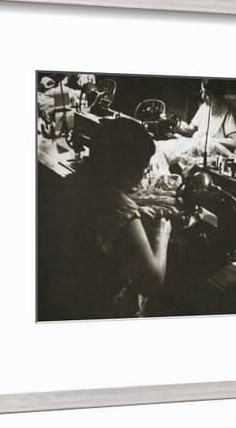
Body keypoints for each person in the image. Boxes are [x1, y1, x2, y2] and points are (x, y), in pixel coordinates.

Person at [41, 118, 172, 320]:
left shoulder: (74, 181)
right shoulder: (118, 206)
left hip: (61, 298)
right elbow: (151, 281)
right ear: (127, 169)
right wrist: (161, 235)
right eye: (142, 169)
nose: (142, 175)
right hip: (100, 310)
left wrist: (132, 215)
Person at [151, 79, 236, 173]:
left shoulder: (228, 111)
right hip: (195, 143)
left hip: (211, 151)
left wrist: (209, 140)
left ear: (216, 94)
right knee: (161, 148)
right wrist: (175, 124)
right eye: (202, 92)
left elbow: (235, 142)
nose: (202, 96)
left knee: (179, 155)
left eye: (206, 93)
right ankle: (161, 178)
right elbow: (191, 130)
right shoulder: (205, 107)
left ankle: (171, 176)